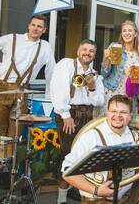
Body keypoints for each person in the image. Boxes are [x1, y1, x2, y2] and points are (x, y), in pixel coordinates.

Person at [62, 94, 139, 204]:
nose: (118, 116)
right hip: (97, 198)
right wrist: (96, 190)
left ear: (130, 116)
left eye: (123, 112)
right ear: (107, 113)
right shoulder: (91, 136)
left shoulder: (136, 136)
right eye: (113, 111)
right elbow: (67, 171)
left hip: (127, 193)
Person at [50, 39, 105, 204]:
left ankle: (83, 194)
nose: (87, 53)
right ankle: (61, 200)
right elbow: (57, 89)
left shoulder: (95, 74)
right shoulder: (66, 65)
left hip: (88, 117)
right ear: (78, 51)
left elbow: (99, 101)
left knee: (85, 156)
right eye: (84, 49)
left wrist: (92, 86)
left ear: (94, 55)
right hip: (70, 115)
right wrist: (66, 115)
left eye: (91, 51)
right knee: (70, 157)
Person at [0, 14, 55, 137]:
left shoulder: (45, 47)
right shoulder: (12, 39)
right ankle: (2, 156)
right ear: (28, 26)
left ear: (44, 30)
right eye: (33, 25)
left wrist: (50, 97)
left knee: (15, 135)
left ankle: (12, 157)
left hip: (22, 91)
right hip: (2, 88)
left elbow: (51, 72)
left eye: (39, 26)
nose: (35, 28)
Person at [100, 20, 139, 113]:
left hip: (129, 96)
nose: (127, 33)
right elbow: (104, 73)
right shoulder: (115, 48)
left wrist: (131, 75)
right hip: (112, 92)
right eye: (124, 30)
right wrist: (107, 58)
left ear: (135, 34)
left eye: (130, 30)